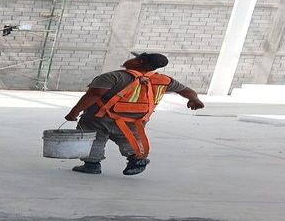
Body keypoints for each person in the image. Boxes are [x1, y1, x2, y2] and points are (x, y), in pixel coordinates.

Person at [63, 52, 204, 176]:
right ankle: (137, 160)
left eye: (134, 58)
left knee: (93, 137)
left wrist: (73, 113)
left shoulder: (113, 77)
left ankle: (91, 165)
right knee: (130, 140)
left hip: (99, 118)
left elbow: (93, 95)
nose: (129, 60)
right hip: (134, 122)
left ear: (139, 62)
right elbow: (187, 91)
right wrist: (194, 99)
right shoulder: (164, 81)